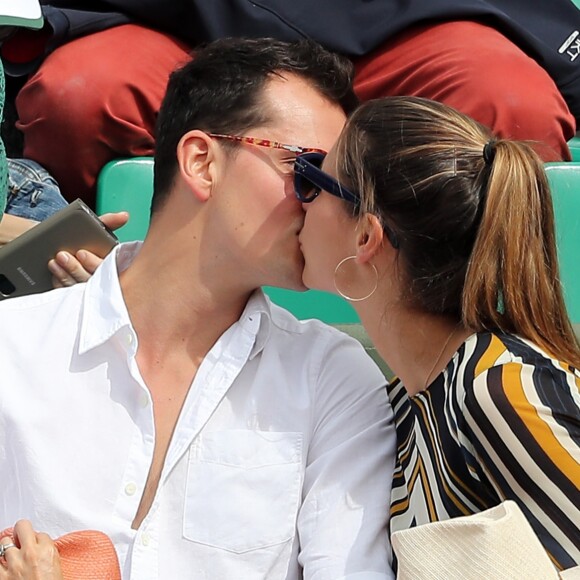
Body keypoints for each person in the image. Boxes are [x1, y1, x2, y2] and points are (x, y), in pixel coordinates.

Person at [0, 37, 396, 579]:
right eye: (306, 172)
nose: (324, 203)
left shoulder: (333, 378)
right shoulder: (10, 347)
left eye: (335, 186)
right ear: (202, 161)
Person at [295, 96, 580, 571]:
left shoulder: (499, 391)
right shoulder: (411, 400)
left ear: (366, 236)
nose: (297, 197)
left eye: (314, 178)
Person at [2, 0, 578, 206]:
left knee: (506, 105)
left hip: (407, 22)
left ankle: (483, 355)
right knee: (80, 96)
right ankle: (93, 313)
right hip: (184, 23)